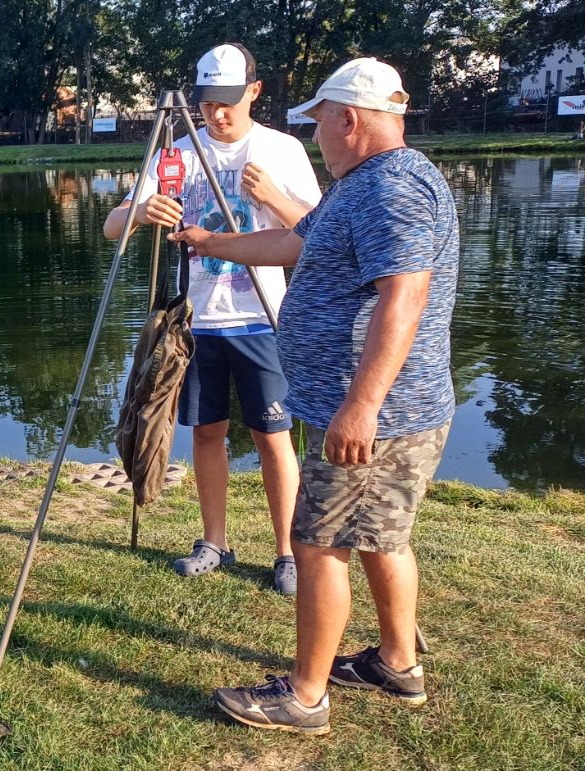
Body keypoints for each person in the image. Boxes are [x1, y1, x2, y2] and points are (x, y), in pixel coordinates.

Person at [173, 58, 459, 735]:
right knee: (382, 536)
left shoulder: (393, 189)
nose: (315, 133)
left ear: (349, 119)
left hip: (373, 412)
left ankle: (303, 697)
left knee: (317, 541)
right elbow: (291, 241)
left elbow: (406, 295)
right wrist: (213, 241)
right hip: (380, 408)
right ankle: (396, 662)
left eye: (320, 120)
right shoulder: (358, 185)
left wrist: (360, 404)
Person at [103, 43, 322, 595]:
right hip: (196, 322)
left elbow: (316, 237)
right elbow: (111, 228)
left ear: (254, 91)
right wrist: (139, 212)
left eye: (228, 101)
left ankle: (286, 552)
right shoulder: (176, 153)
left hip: (262, 317)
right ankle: (214, 541)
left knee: (275, 437)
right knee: (206, 432)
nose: (217, 114)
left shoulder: (283, 150)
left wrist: (274, 197)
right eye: (206, 103)